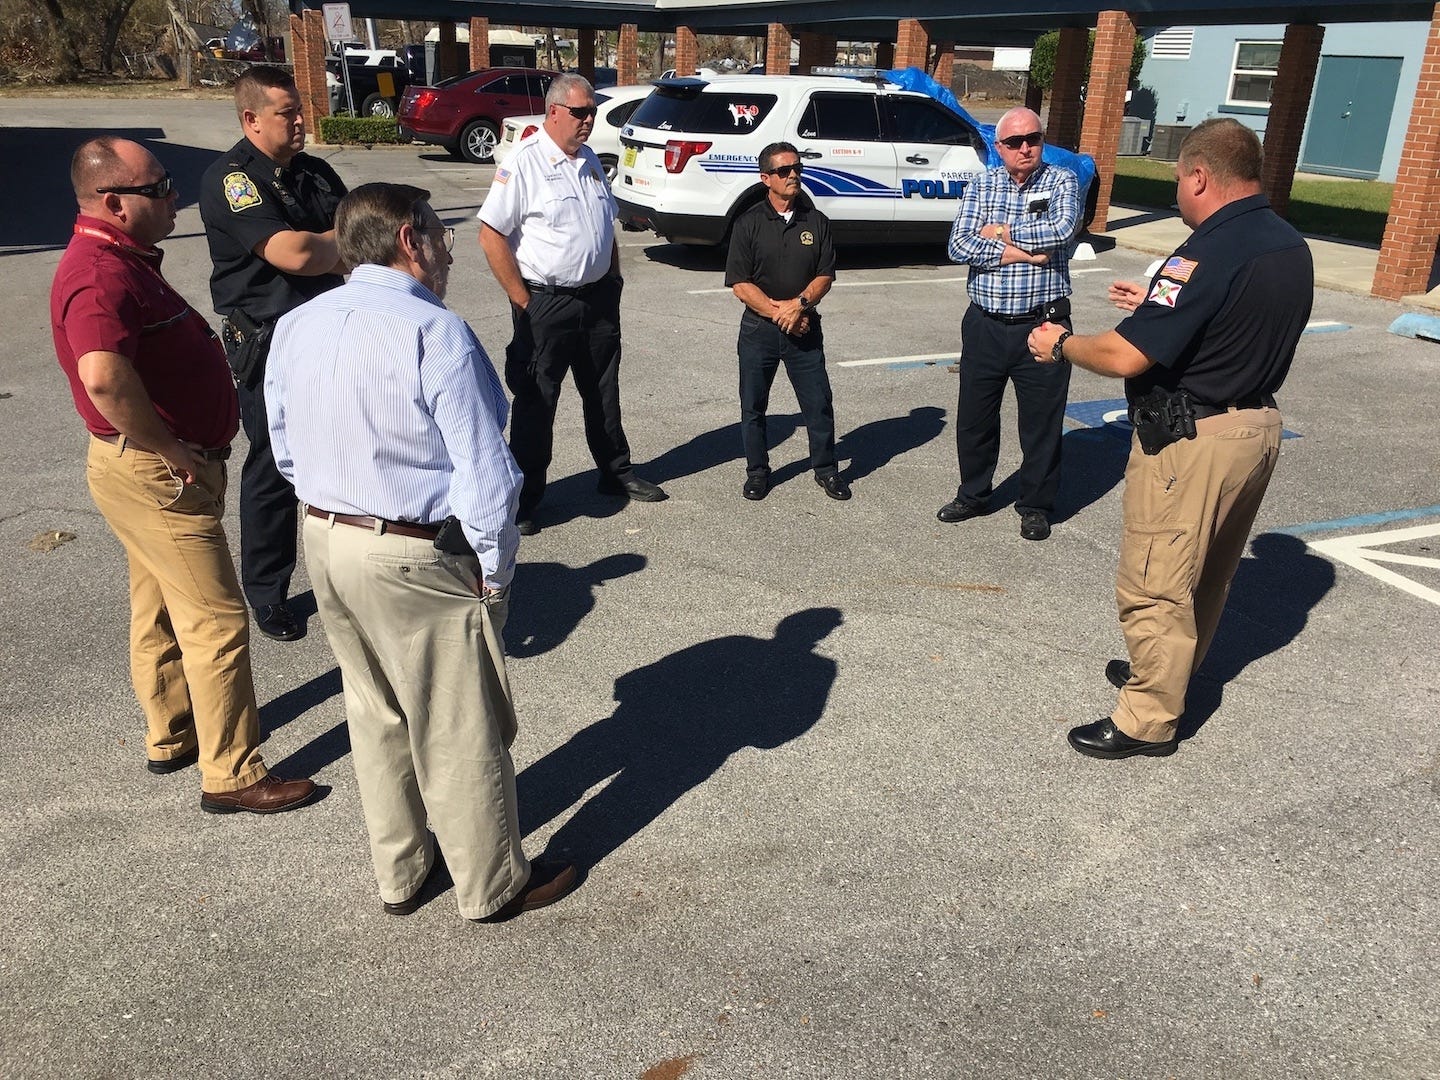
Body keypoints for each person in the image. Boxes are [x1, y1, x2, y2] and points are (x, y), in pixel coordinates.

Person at [266, 182, 578, 921]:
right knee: (456, 722)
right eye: (440, 236)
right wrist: (495, 576)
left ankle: (400, 872)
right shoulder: (434, 333)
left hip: (326, 536)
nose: (446, 251)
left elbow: (281, 442)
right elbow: (486, 473)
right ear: (411, 241)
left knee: (373, 709)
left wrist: (332, 505)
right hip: (409, 551)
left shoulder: (300, 322)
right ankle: (492, 884)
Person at [1028, 117, 1312, 760]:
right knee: (1205, 575)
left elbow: (1127, 359)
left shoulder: (1207, 248)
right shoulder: (1286, 243)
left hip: (1195, 440)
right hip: (1255, 427)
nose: (1177, 194)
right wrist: (1156, 304)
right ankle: (1166, 678)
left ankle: (1146, 719)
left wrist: (1061, 343)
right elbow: (1227, 323)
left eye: (1179, 180)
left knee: (1154, 580)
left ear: (1200, 176)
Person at [50, 136, 315, 815]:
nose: (175, 197)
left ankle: (173, 732)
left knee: (159, 603)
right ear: (113, 202)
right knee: (218, 620)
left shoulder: (123, 259)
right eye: (160, 187)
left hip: (146, 470)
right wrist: (172, 450)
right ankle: (232, 772)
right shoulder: (99, 274)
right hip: (155, 474)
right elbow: (104, 378)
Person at [477, 72, 665, 536]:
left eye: (592, 112)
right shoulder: (524, 162)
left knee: (603, 390)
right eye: (580, 112)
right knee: (537, 401)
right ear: (554, 111)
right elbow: (491, 235)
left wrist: (614, 277)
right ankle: (525, 499)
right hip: (546, 302)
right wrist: (524, 303)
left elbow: (605, 226)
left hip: (598, 300)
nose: (589, 119)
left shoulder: (589, 162)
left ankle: (614, 470)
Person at [199, 65, 347, 642]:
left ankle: (343, 576)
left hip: (328, 331)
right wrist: (338, 247)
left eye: (301, 109)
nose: (302, 121)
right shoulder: (232, 179)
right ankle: (267, 591)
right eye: (288, 113)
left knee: (335, 452)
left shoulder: (312, 172)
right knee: (274, 464)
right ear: (251, 119)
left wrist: (328, 249)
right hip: (268, 340)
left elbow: (352, 238)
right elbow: (291, 253)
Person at [939, 107, 1080, 542]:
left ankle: (1035, 505)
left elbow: (1062, 229)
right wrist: (1020, 249)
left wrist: (1000, 231)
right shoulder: (982, 183)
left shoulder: (1062, 180)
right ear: (997, 147)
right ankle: (974, 494)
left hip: (1042, 325)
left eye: (1032, 139)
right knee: (975, 418)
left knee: (1041, 422)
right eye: (1014, 142)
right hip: (984, 323)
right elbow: (957, 243)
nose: (1025, 148)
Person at [723, 142, 849, 502]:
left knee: (818, 404)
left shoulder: (816, 222)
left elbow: (825, 275)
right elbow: (740, 285)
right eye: (783, 171)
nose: (793, 175)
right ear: (766, 178)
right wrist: (782, 314)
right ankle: (758, 472)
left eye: (797, 168)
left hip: (805, 328)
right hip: (759, 330)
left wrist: (800, 305)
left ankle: (826, 470)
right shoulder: (748, 224)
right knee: (753, 406)